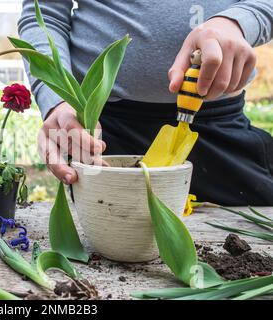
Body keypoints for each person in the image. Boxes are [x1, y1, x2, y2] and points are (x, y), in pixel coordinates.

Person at [18, 0, 273, 206]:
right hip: (104, 134)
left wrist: (236, 22)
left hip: (220, 128)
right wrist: (57, 100)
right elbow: (44, 15)